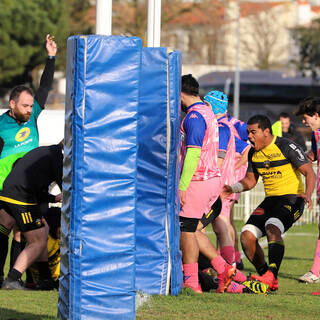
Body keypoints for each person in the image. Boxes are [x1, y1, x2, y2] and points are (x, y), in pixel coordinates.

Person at [222, 114, 315, 291]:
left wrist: (308, 194)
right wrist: (232, 188)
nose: (249, 136)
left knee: (272, 227)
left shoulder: (286, 146)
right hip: (271, 200)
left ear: (266, 132)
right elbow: (250, 181)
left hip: (292, 198)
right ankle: (267, 277)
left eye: (253, 132)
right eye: (248, 132)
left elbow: (309, 172)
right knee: (246, 235)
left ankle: (271, 274)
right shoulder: (253, 153)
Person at [0, 34, 57, 287]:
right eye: (24, 106)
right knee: (6, 228)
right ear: (12, 104)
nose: (28, 109)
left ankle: (26, 278)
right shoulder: (1, 125)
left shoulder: (32, 114)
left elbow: (44, 87)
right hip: (6, 186)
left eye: (30, 106)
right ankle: (7, 278)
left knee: (28, 232)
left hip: (34, 186)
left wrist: (51, 57)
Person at [179, 74, 236, 293]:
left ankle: (192, 283)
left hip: (198, 180)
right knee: (193, 231)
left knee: (186, 231)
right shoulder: (208, 112)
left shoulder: (194, 116)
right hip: (213, 180)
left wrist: (183, 185)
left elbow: (193, 153)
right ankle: (225, 269)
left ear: (180, 93)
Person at [0, 143, 63, 290]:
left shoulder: (46, 152)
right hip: (21, 197)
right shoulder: (58, 156)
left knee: (43, 229)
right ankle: (12, 279)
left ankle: (45, 278)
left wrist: (53, 199)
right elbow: (65, 182)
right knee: (38, 241)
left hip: (9, 192)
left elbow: (35, 182)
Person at [295, 97, 320, 289]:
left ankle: (315, 272)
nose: (304, 122)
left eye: (306, 118)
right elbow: (313, 156)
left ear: (317, 115)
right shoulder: (317, 135)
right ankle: (315, 271)